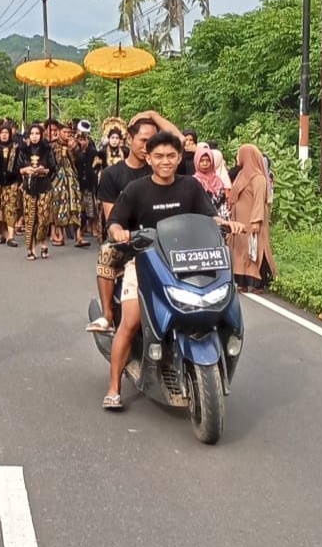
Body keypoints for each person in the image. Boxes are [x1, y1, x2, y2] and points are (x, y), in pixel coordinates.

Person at [103, 131, 244, 410]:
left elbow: (208, 216)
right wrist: (119, 233)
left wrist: (227, 224)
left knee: (222, 304)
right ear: (148, 158)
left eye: (171, 156)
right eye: (158, 156)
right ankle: (114, 387)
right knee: (131, 321)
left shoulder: (190, 187)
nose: (165, 161)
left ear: (180, 158)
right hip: (145, 262)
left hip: (189, 261)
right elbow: (115, 222)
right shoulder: (136, 190)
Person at [86, 111, 182, 333]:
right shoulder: (112, 174)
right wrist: (125, 234)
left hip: (168, 239)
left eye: (153, 141)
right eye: (144, 140)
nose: (148, 146)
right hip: (131, 240)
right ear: (129, 139)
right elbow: (113, 218)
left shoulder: (161, 167)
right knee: (108, 251)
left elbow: (179, 142)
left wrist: (153, 115)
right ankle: (108, 314)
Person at [229, 144, 278, 293]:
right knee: (241, 250)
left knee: (256, 250)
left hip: (252, 220)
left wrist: (256, 221)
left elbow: (259, 201)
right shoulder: (241, 174)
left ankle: (258, 283)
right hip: (239, 221)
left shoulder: (258, 178)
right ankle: (242, 282)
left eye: (240, 154)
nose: (238, 158)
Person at [18, 124, 56, 260]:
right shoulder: (23, 150)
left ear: (41, 135)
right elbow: (19, 168)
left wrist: (42, 170)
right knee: (30, 218)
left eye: (37, 134)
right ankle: (31, 248)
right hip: (29, 187)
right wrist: (26, 170)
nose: (34, 136)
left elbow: (52, 169)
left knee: (43, 218)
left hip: (44, 186)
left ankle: (42, 241)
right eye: (32, 133)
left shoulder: (47, 150)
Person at [49, 122, 82, 248]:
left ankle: (79, 236)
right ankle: (60, 235)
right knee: (59, 205)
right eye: (65, 132)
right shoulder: (52, 145)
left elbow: (80, 161)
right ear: (59, 132)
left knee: (76, 205)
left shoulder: (75, 145)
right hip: (58, 179)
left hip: (72, 178)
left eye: (69, 133)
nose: (68, 135)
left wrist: (73, 149)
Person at [74, 121, 100, 246]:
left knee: (91, 205)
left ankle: (94, 227)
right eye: (80, 139)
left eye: (84, 139)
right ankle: (81, 229)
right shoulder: (75, 152)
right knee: (80, 207)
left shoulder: (93, 151)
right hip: (78, 181)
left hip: (90, 181)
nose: (82, 142)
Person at [191, 145, 230, 219]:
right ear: (196, 161)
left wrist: (226, 221)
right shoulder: (194, 181)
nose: (205, 163)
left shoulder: (218, 181)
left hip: (221, 220)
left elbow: (223, 203)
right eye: (202, 161)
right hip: (202, 220)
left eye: (208, 160)